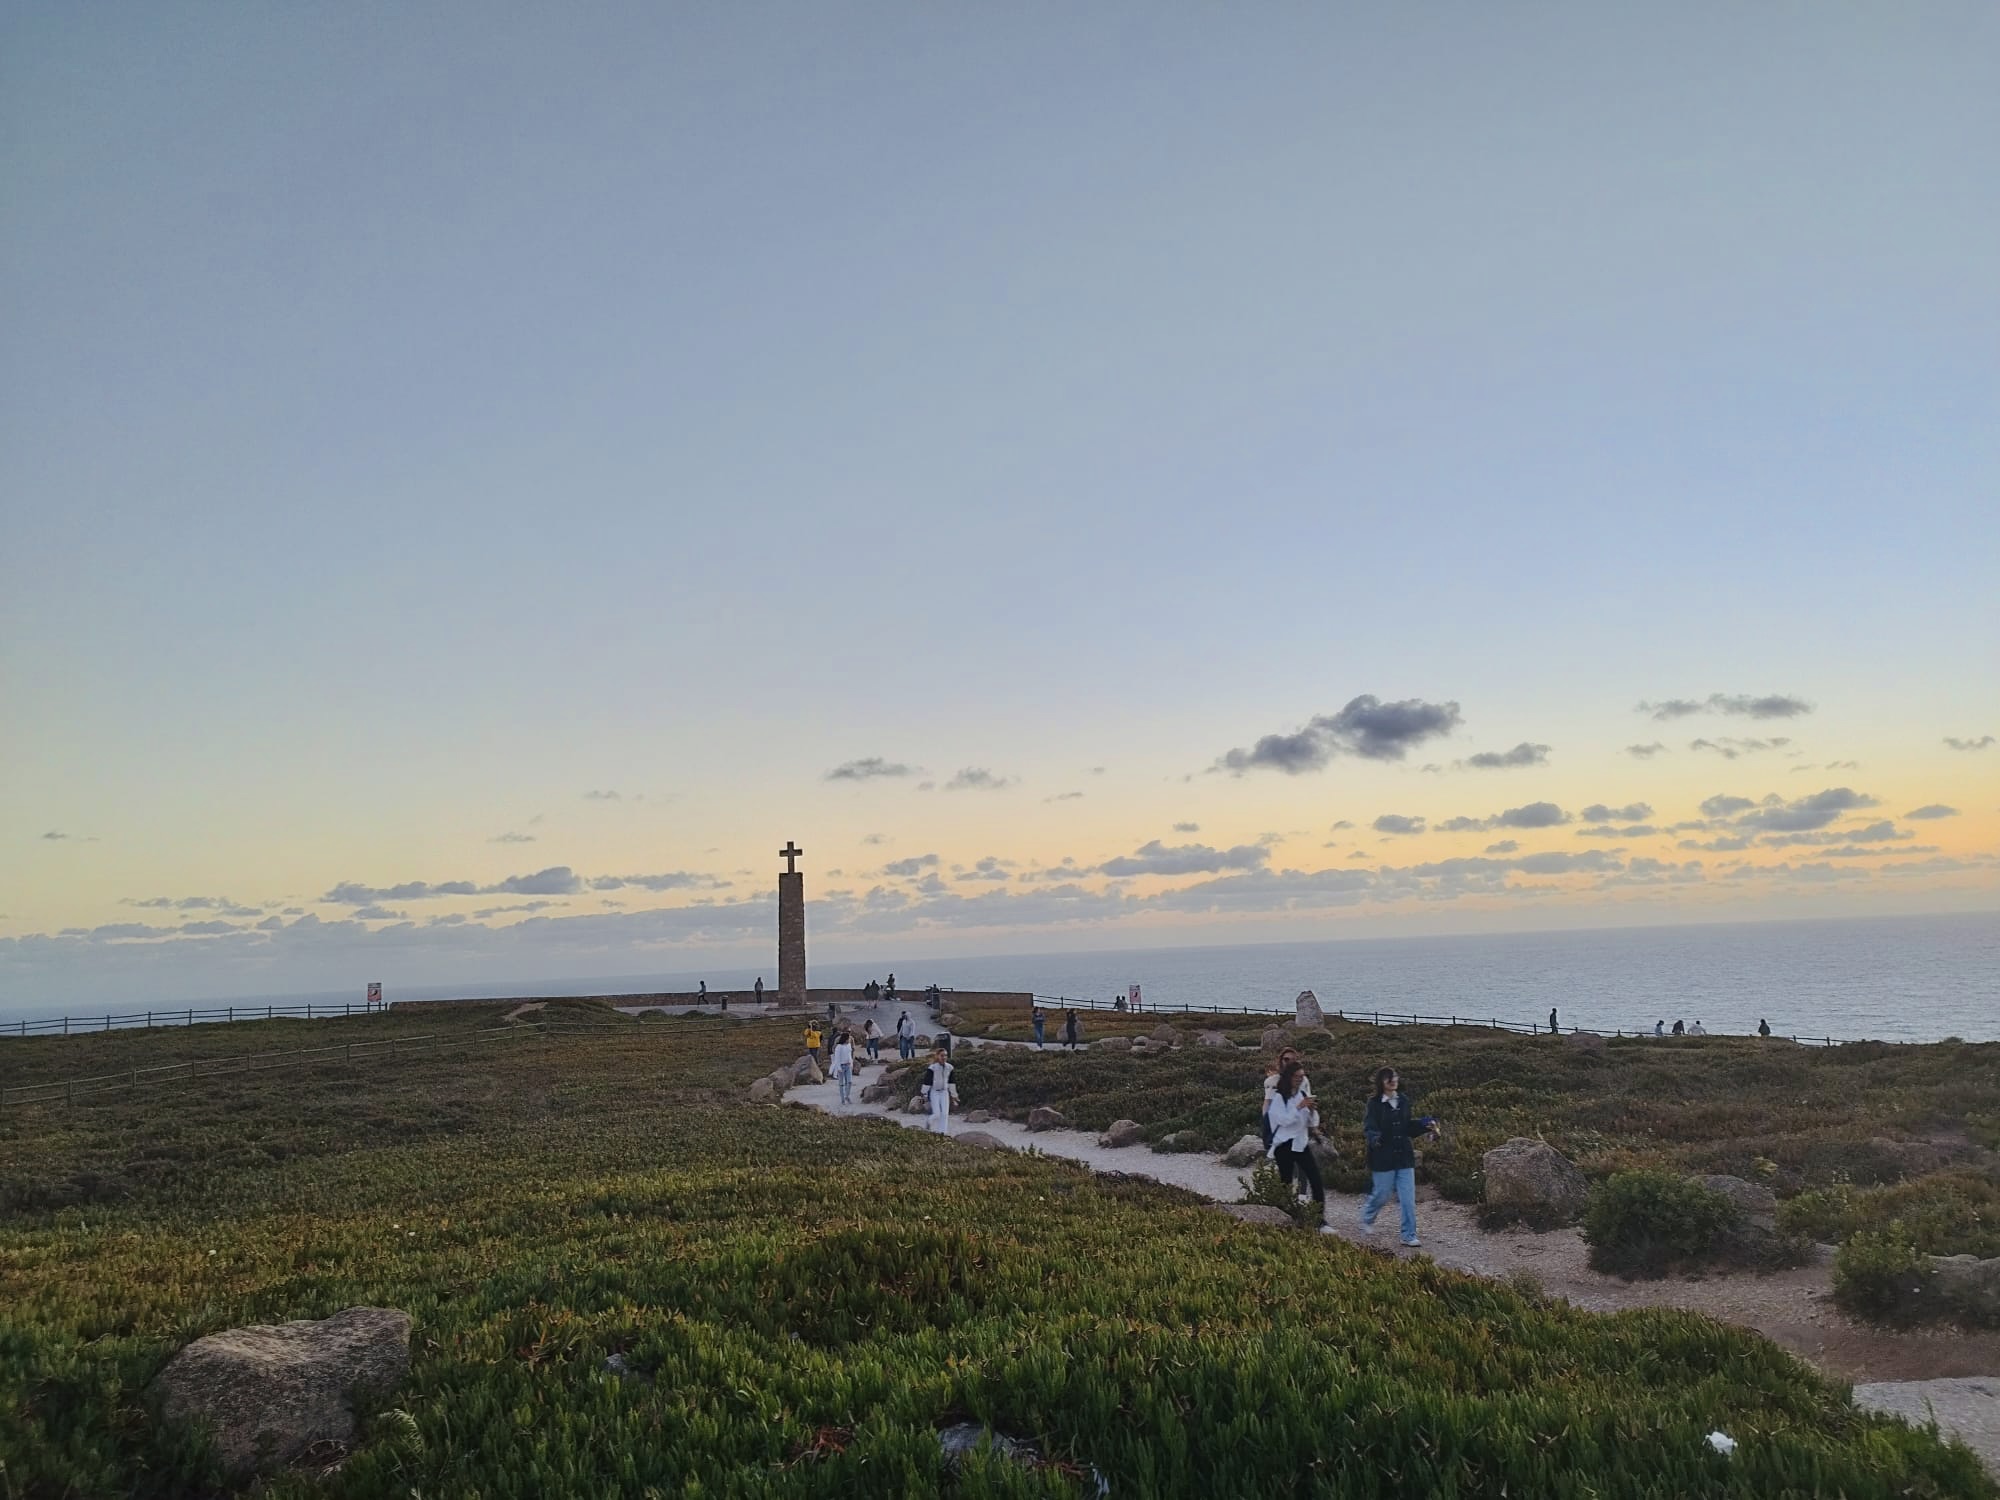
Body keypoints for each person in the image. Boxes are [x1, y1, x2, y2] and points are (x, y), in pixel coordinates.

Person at [1361, 1065, 1436, 1248]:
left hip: (1404, 1156)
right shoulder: (1374, 1103)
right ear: (1381, 1082)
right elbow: (1369, 1127)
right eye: (1389, 1078)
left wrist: (1425, 1124)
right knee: (1382, 1194)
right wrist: (1375, 1139)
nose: (1393, 1080)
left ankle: (1408, 1235)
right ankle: (1367, 1217)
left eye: (1395, 1076)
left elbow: (1407, 1126)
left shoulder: (1403, 1100)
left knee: (1408, 1199)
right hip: (1383, 1158)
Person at [1266, 1059, 1332, 1232]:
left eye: (1302, 1077)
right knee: (1286, 1183)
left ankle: (1319, 1220)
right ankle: (1285, 1218)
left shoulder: (1302, 1095)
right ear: (1289, 1077)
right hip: (1284, 1145)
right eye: (1296, 1076)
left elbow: (1311, 1122)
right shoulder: (1279, 1097)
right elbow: (1282, 1120)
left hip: (1300, 1144)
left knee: (1316, 1181)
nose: (1300, 1079)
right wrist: (1298, 1107)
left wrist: (1311, 1111)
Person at [1261, 1046, 1313, 1151]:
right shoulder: (1272, 1081)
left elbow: (1308, 1100)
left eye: (1293, 1060)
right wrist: (1266, 1122)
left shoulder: (1303, 1080)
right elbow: (1268, 1102)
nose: (1289, 1062)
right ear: (1281, 1061)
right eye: (1286, 1059)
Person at [920, 1045, 958, 1134]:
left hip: (944, 1092)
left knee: (945, 1114)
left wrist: (954, 1095)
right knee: (937, 1114)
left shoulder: (950, 1067)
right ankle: (929, 1121)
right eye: (942, 1055)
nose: (944, 1057)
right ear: (937, 1056)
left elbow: (951, 1082)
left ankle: (942, 1133)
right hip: (934, 1092)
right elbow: (927, 1082)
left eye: (945, 1055)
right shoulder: (932, 1068)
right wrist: (924, 1094)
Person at [830, 1028, 855, 1104]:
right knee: (841, 1084)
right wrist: (838, 1068)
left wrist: (851, 1064)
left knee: (849, 1082)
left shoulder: (849, 1045)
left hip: (848, 1065)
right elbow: (837, 1058)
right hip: (841, 1066)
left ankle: (847, 1096)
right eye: (848, 1038)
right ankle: (842, 1099)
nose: (849, 1040)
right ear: (845, 1039)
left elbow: (850, 1056)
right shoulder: (839, 1047)